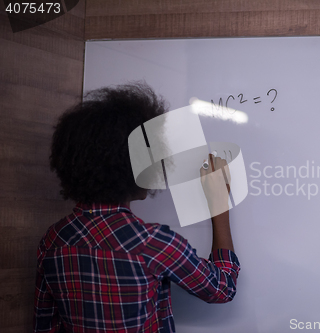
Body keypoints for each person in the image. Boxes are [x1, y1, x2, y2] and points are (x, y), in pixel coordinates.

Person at [33, 82, 240, 332]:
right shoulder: (154, 243)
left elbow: (45, 323)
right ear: (136, 166)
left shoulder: (53, 240)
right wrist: (219, 206)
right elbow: (222, 288)